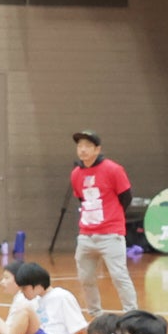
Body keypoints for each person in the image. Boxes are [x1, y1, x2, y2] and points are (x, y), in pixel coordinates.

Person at [61, 129, 139, 313]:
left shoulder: (113, 169)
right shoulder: (76, 174)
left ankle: (132, 313)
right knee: (86, 278)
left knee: (119, 276)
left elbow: (126, 197)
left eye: (87, 146)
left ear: (97, 149)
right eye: (80, 146)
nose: (82, 150)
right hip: (86, 235)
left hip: (110, 234)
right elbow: (82, 199)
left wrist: (113, 216)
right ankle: (95, 314)